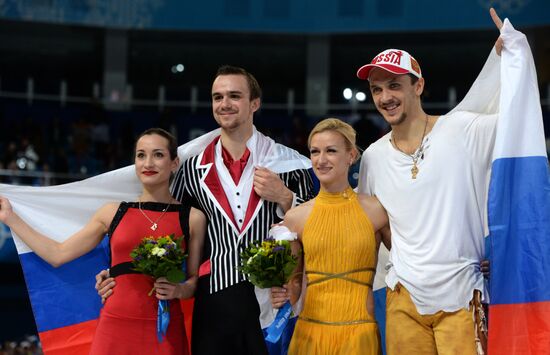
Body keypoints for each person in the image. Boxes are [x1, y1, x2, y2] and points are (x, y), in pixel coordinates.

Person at [97, 66, 315, 355]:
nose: (224, 104)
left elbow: (318, 231)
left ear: (254, 103)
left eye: (234, 96)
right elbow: (165, 227)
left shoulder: (291, 165)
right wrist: (119, 271)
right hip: (214, 297)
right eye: (217, 97)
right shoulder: (191, 169)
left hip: (273, 300)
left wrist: (286, 199)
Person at [355, 9, 513, 355]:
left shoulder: (461, 130)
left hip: (461, 295)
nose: (385, 97)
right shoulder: (373, 157)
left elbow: (517, 117)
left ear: (419, 86)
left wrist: (513, 57)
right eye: (377, 89)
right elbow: (372, 223)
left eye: (395, 85)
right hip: (404, 299)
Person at [0, 128, 206, 355]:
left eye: (158, 155)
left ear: (174, 163)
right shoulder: (111, 212)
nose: (148, 163)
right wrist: (10, 218)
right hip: (115, 327)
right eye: (141, 155)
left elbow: (194, 281)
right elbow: (57, 254)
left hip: (165, 330)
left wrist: (180, 290)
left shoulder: (193, 218)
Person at [271, 118, 389, 354]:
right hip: (310, 336)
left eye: (331, 151)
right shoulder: (295, 218)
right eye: (315, 151)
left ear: (351, 156)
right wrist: (279, 292)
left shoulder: (376, 210)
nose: (321, 160)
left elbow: (411, 259)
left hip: (359, 336)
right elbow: (293, 282)